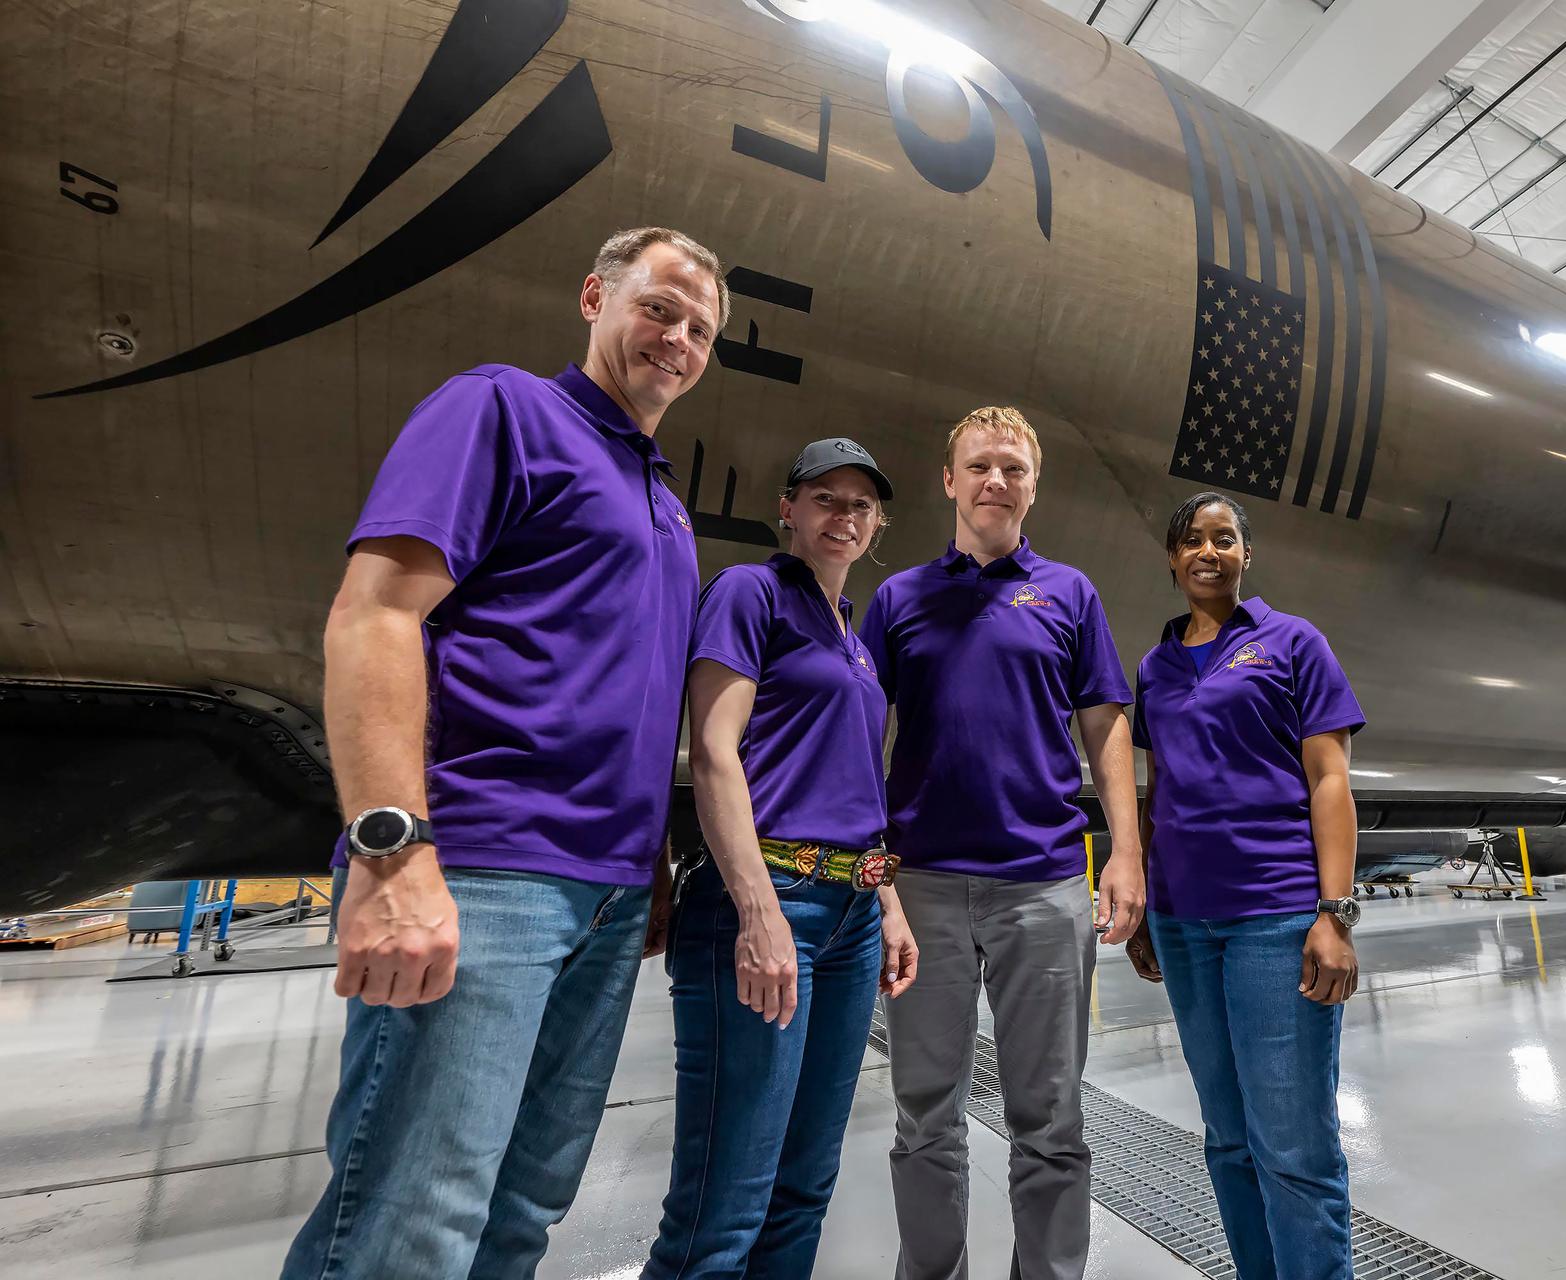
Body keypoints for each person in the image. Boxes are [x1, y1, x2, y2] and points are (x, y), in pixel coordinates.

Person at [282, 226, 728, 1279]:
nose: (677, 338)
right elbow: (374, 614)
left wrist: (650, 865)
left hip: (609, 898)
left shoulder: (663, 499)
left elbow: (624, 690)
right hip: (487, 874)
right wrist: (392, 851)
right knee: (412, 1219)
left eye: (700, 328)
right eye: (659, 306)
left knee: (522, 1210)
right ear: (594, 296)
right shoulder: (500, 409)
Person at [859, 406, 1146, 1280]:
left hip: (1044, 886)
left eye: (1013, 470)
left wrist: (1127, 854)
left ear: (1033, 485)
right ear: (949, 481)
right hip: (926, 891)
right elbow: (859, 737)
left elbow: (1105, 726)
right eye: (979, 466)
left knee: (1053, 1119)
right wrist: (879, 880)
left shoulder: (1070, 594)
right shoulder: (899, 599)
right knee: (924, 1117)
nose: (996, 482)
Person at [644, 438, 920, 1278]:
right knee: (726, 1201)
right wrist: (758, 911)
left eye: (860, 506)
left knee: (804, 1187)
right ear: (788, 509)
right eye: (826, 499)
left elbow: (852, 780)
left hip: (848, 915)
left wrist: (887, 901)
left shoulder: (855, 636)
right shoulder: (749, 593)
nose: (844, 516)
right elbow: (714, 753)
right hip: (770, 904)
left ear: (877, 527)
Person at [1124, 492, 1366, 1280]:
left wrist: (1335, 911)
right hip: (1184, 923)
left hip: (1275, 916)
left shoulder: (1293, 642)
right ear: (1171, 556)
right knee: (1227, 1138)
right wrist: (1142, 909)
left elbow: (1329, 779)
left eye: (1223, 540)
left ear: (1245, 555)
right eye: (1191, 539)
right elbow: (1156, 790)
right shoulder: (1155, 667)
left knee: (1292, 1145)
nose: (1206, 552)